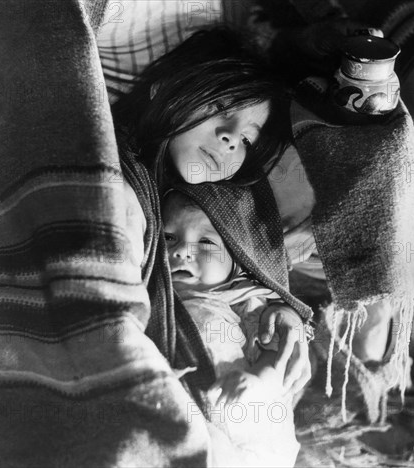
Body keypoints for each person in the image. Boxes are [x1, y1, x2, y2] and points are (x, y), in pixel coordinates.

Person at [112, 27, 313, 398]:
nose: (232, 137)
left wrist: (283, 312)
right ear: (166, 89)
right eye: (221, 107)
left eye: (248, 139)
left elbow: (256, 274)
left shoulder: (225, 198)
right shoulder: (118, 169)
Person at [161, 189, 300, 467]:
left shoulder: (245, 302)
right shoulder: (159, 301)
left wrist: (261, 382)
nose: (181, 251)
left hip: (249, 429)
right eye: (168, 237)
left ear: (237, 260)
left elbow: (276, 355)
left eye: (206, 242)